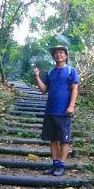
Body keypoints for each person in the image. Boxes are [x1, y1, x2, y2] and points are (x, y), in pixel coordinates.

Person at [34, 44, 79, 176]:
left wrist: (71, 106)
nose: (58, 55)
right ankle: (55, 164)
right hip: (50, 110)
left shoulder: (71, 71)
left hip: (64, 111)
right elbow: (43, 90)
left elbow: (74, 89)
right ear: (54, 56)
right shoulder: (50, 72)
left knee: (64, 139)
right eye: (56, 53)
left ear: (65, 56)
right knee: (53, 139)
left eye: (61, 53)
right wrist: (37, 77)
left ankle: (61, 166)